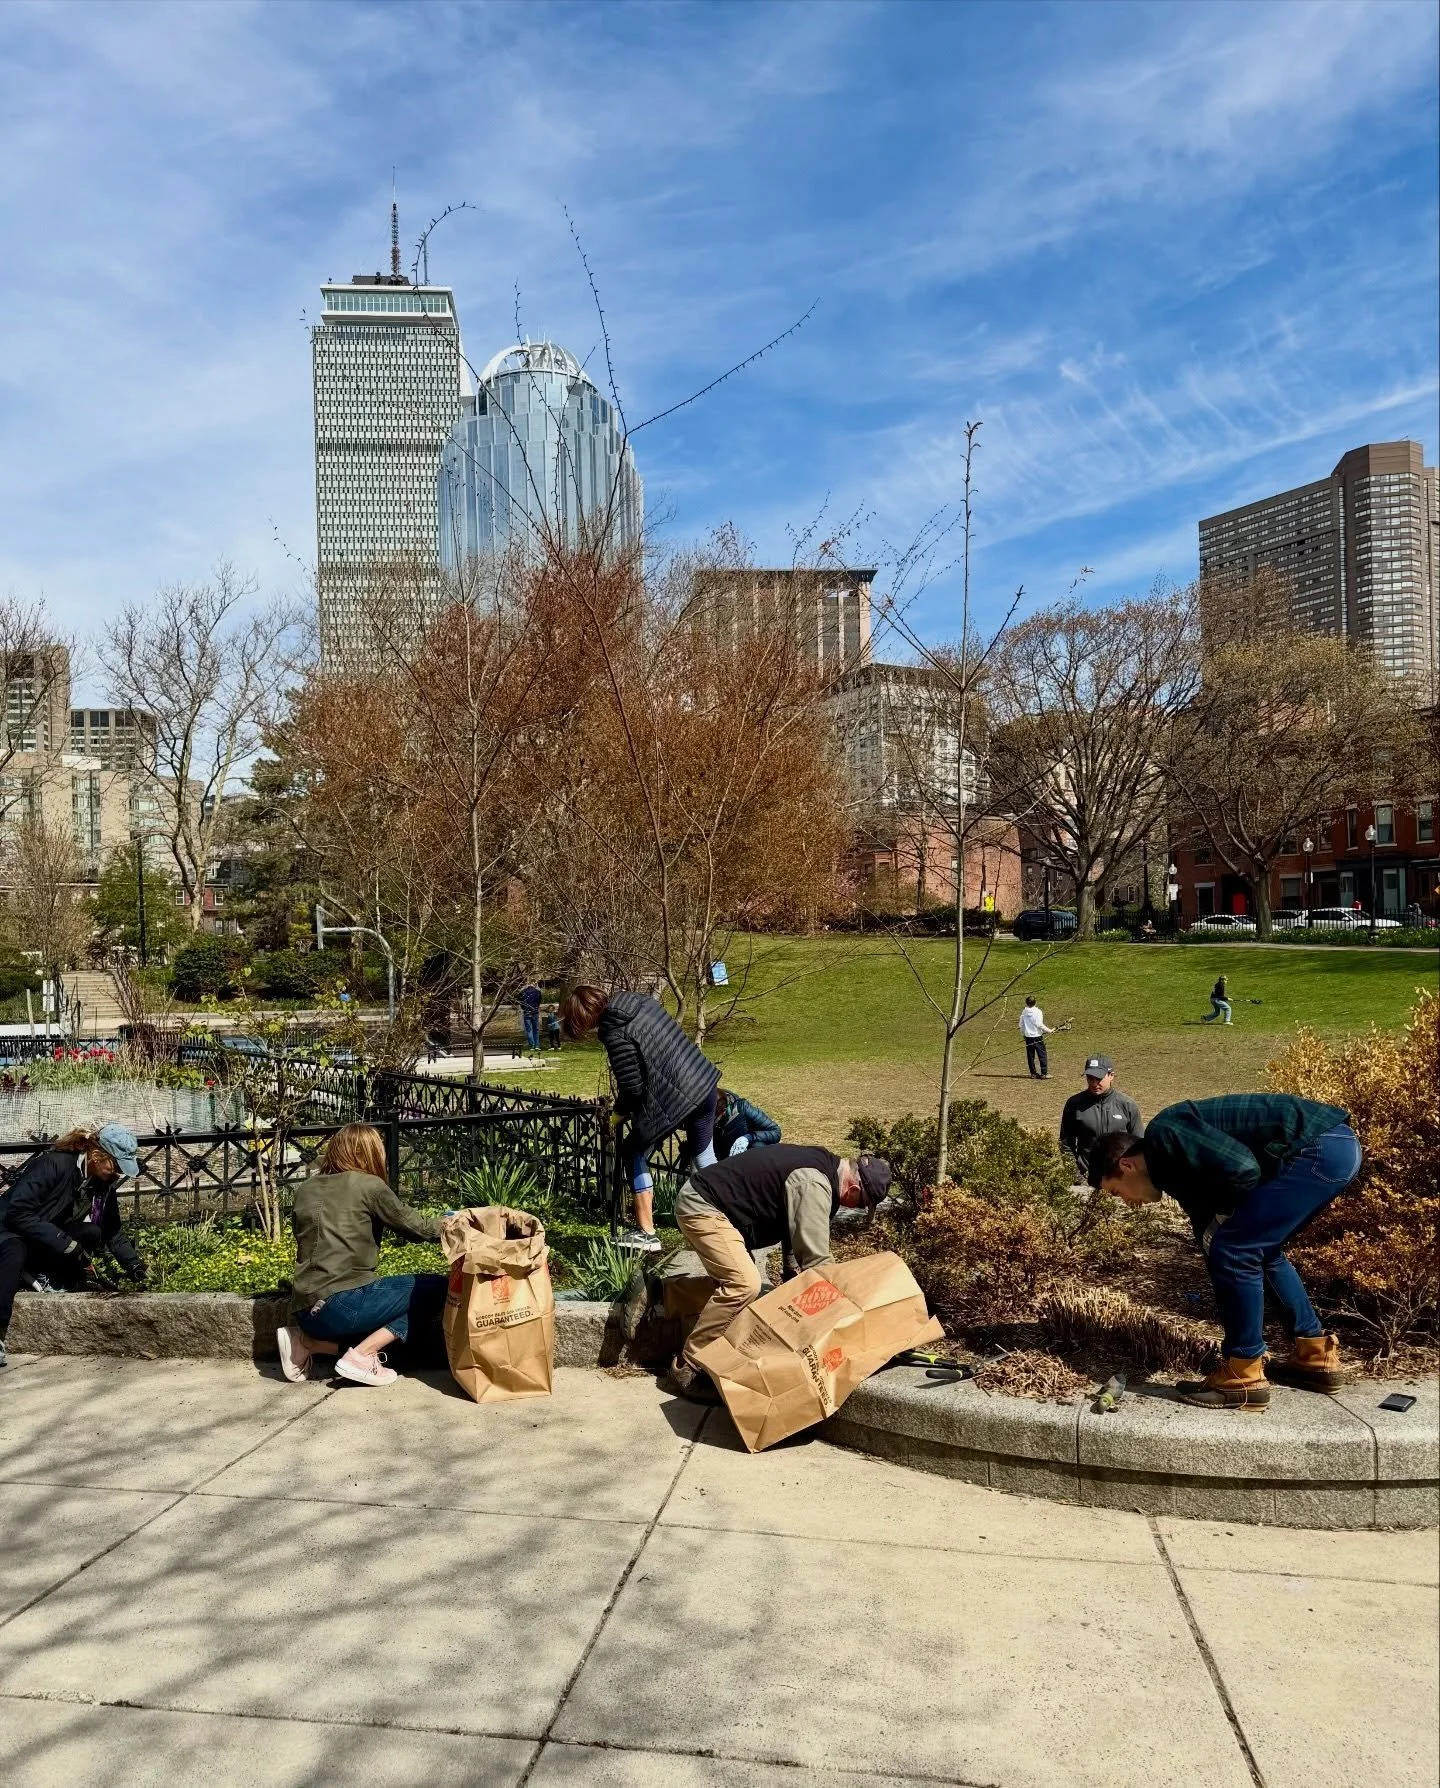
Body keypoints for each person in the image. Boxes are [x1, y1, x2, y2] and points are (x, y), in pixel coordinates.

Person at [1089, 1094, 1361, 1410]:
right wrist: (1223, 1243)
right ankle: (1314, 1357)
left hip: (1319, 1148)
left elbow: (1243, 1169)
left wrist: (1229, 1239)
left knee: (1236, 1248)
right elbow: (1207, 1229)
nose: (1126, 1202)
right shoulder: (1173, 1169)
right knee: (1259, 1249)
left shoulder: (1165, 1135)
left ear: (1127, 1165)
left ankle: (1242, 1374)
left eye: (1116, 1191)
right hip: (1333, 1149)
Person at [668, 1143, 893, 1400]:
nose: (855, 1209)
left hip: (715, 1204)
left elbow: (794, 1223)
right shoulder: (815, 1184)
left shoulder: (823, 1167)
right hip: (703, 1205)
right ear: (854, 1190)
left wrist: (790, 1270)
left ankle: (660, 1296)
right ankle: (690, 1366)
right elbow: (818, 1262)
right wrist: (849, 1312)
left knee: (736, 1288)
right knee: (743, 1285)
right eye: (861, 1204)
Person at [277, 1122, 448, 1389]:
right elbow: (420, 1229)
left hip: (305, 1311)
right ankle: (362, 1356)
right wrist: (459, 1223)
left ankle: (308, 1342)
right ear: (370, 1153)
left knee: (395, 1340)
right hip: (343, 1305)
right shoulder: (369, 1186)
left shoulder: (306, 1188)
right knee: (437, 1289)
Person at [560, 984, 720, 1253]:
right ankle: (727, 1224)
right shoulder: (637, 1001)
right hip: (704, 1086)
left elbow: (633, 1088)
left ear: (584, 1016)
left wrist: (619, 1113)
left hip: (674, 1100)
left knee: (633, 1151)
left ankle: (647, 1233)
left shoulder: (614, 1031)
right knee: (704, 1160)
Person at [0, 1125, 147, 1369]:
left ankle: (44, 1275)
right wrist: (65, 1243)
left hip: (40, 1234)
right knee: (14, 1254)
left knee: (91, 1232)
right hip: (8, 1231)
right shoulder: (53, 1164)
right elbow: (18, 1213)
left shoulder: (102, 1183)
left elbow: (111, 1230)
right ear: (97, 1156)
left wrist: (133, 1264)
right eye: (116, 1166)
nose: (118, 1174)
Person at [1058, 1056, 1143, 1182]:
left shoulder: (1127, 1105)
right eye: (1090, 1078)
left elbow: (1139, 1145)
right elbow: (1066, 1144)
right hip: (1086, 1180)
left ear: (1111, 1076)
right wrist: (1075, 1173)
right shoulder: (1074, 1104)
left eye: (1099, 1079)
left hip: (1121, 1181)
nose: (1094, 1083)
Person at [714, 1087, 781, 1159]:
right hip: (724, 1159)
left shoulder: (744, 1108)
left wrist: (748, 1138)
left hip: (751, 1155)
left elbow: (775, 1131)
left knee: (757, 1145)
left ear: (723, 1111)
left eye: (714, 1118)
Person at [1019, 995, 1054, 1079]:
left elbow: (1021, 1025)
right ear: (1035, 1003)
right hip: (1037, 1036)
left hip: (1028, 1037)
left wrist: (1024, 1034)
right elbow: (1039, 1024)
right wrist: (1049, 1030)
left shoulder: (1024, 1012)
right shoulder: (1038, 1012)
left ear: (1026, 1003)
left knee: (1030, 1055)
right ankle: (1044, 1073)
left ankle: (1033, 1073)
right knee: (1042, 1054)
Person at [518, 984, 543, 1054]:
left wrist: (524, 1008)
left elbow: (521, 1002)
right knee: (536, 1029)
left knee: (529, 1030)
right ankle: (537, 1045)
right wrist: (536, 1007)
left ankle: (532, 1045)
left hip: (527, 1012)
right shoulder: (538, 992)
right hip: (535, 1011)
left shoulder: (523, 992)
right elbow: (539, 1001)